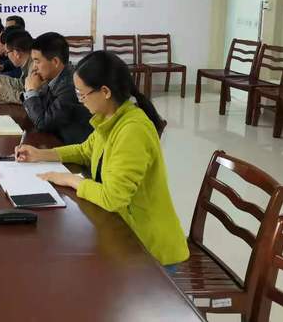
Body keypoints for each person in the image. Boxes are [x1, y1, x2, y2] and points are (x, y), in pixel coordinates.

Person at [15, 51, 189, 266]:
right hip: (121, 230)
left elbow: (113, 197)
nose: (80, 100)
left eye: (82, 94)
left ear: (105, 91)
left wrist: (71, 180)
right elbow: (85, 151)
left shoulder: (132, 129)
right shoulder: (110, 117)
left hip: (148, 249)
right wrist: (41, 154)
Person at [22, 32, 92, 144]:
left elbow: (43, 123)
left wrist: (31, 91)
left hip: (73, 147)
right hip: (57, 140)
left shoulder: (70, 85)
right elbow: (39, 112)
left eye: (37, 61)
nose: (34, 67)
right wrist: (34, 90)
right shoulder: (53, 77)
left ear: (55, 62)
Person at [0, 29, 33, 103]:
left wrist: (3, 92)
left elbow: (33, 100)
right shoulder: (27, 64)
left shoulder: (35, 67)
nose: (6, 55)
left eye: (7, 52)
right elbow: (22, 84)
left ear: (16, 53)